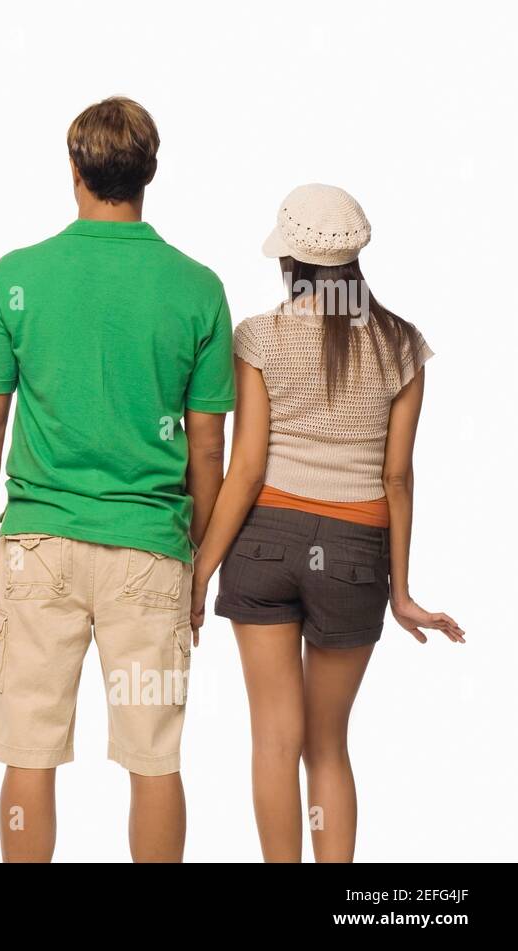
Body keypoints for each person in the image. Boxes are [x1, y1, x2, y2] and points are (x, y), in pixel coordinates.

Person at [0, 97, 235, 862]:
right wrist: (194, 561)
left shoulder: (17, 277)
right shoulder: (198, 287)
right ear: (149, 171)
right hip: (150, 549)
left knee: (30, 753)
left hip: (38, 545)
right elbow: (208, 451)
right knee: (154, 758)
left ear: (75, 169)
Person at [190, 183, 464, 862]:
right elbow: (397, 477)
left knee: (274, 742)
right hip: (355, 554)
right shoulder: (402, 345)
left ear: (290, 260)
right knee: (328, 745)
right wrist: (400, 589)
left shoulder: (260, 336)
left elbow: (246, 467)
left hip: (263, 544)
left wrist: (199, 572)